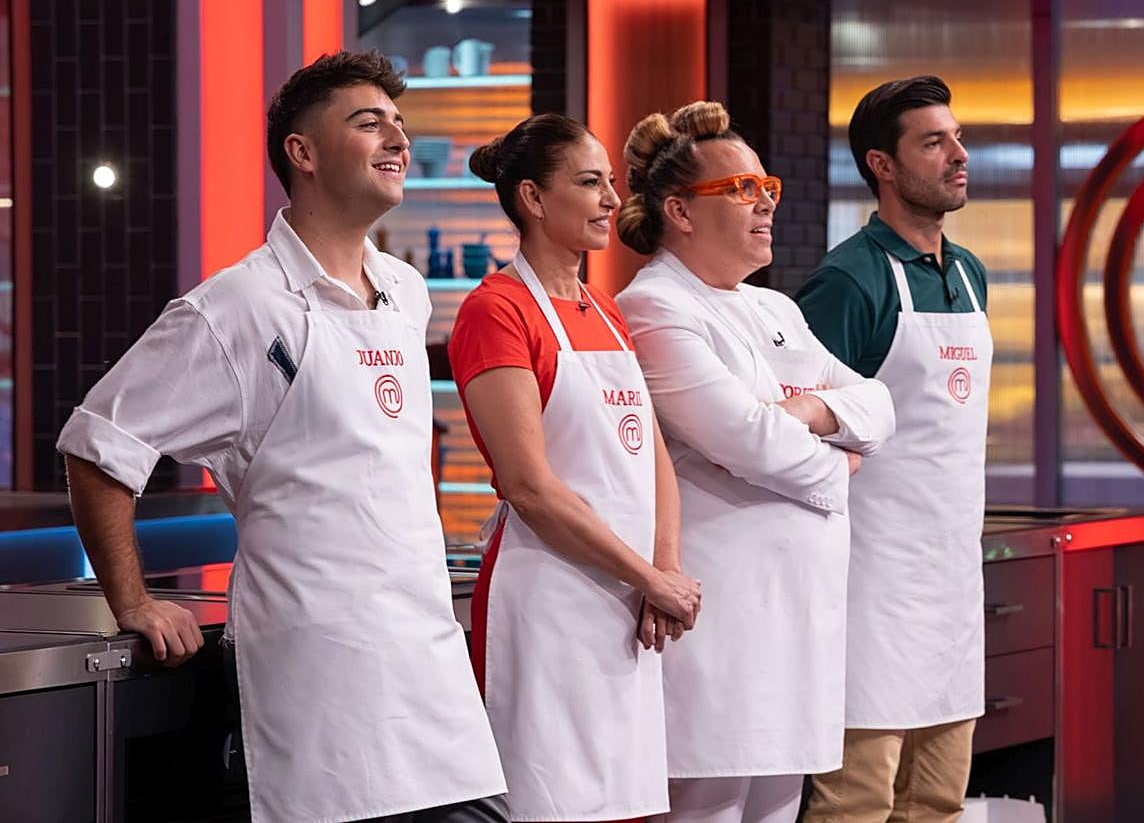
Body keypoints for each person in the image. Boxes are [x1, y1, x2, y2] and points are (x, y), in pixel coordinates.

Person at [56, 51, 508, 823]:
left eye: (400, 123)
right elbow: (99, 444)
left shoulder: (404, 290)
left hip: (429, 669)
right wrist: (132, 601)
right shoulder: (238, 307)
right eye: (369, 123)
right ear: (302, 152)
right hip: (317, 680)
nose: (398, 139)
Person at [615, 101, 895, 823]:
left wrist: (804, 413)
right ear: (680, 211)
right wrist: (836, 460)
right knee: (708, 802)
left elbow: (879, 404)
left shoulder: (775, 309)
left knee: (780, 804)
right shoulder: (654, 307)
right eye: (740, 189)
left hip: (800, 618)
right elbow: (747, 439)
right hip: (723, 616)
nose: (765, 202)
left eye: (766, 186)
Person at [447, 113, 702, 822]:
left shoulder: (607, 312)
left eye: (611, 182)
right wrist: (647, 576)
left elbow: (652, 456)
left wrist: (663, 571)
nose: (613, 199)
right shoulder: (495, 311)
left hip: (627, 608)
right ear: (533, 198)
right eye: (591, 183)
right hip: (548, 606)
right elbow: (528, 486)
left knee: (626, 805)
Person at [795, 76, 992, 823]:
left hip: (952, 578)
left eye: (957, 138)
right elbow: (798, 429)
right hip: (869, 584)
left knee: (938, 799)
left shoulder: (969, 273)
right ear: (882, 164)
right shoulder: (849, 280)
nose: (958, 155)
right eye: (934, 142)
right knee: (856, 801)